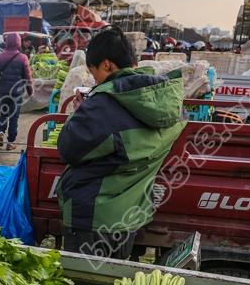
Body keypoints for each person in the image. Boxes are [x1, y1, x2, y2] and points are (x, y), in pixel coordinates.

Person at [56, 26, 186, 260]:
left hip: (93, 218)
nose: (94, 80)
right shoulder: (166, 101)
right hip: (129, 218)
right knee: (112, 283)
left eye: (93, 72)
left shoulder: (103, 105)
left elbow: (68, 148)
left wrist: (82, 111)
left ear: (107, 65)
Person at [0, 33, 32, 151]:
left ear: (7, 42)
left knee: (4, 113)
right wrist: (30, 91)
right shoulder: (23, 58)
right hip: (17, 93)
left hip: (3, 91)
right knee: (14, 117)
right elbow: (28, 77)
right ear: (19, 42)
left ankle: (1, 132)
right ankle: (10, 142)